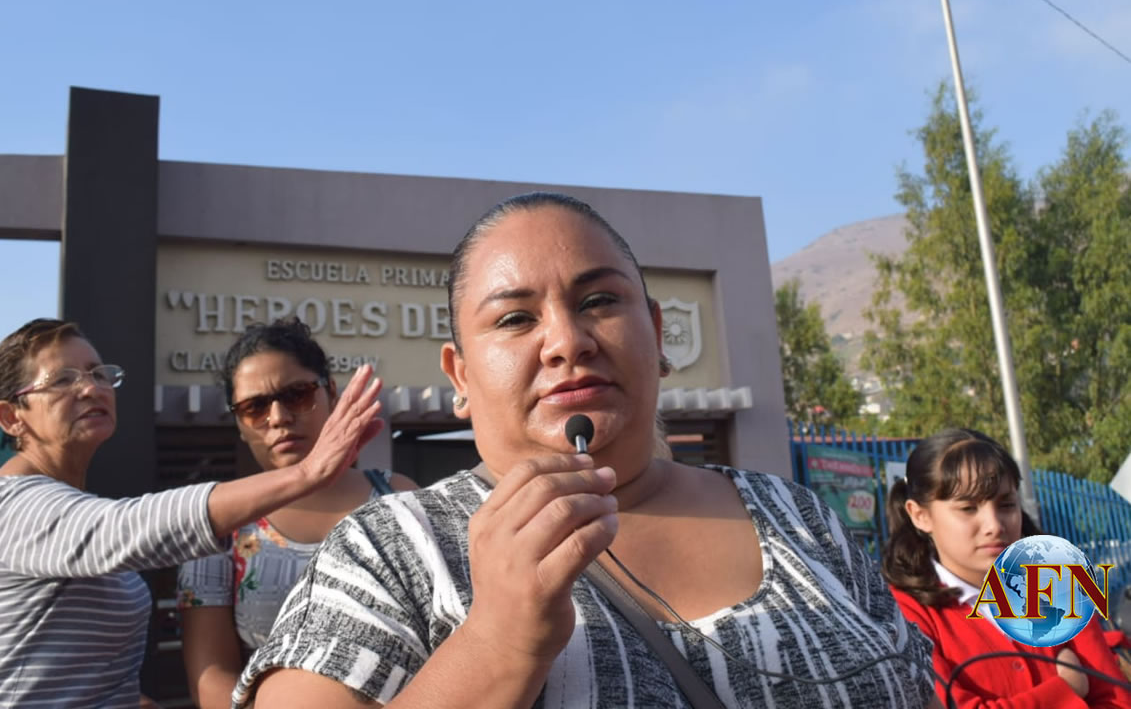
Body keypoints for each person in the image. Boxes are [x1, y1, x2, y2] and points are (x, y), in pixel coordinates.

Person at [234, 191, 937, 708]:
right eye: (514, 318)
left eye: (599, 301)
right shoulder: (386, 552)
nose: (567, 341)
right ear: (460, 375)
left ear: (656, 335)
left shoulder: (797, 516)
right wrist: (496, 645)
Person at [0, 318, 384, 708]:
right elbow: (123, 527)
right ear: (11, 416)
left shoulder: (72, 507)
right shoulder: (10, 506)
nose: (90, 387)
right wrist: (306, 473)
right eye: (63, 379)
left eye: (98, 373)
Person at [177, 318, 417, 709]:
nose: (278, 417)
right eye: (254, 407)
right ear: (239, 424)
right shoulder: (218, 532)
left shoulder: (398, 499)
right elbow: (212, 681)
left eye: (297, 395)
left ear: (331, 393)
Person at [883, 428, 1131, 708]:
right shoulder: (901, 613)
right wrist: (1068, 688)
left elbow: (1116, 700)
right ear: (920, 515)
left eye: (1006, 505)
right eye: (968, 508)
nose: (995, 526)